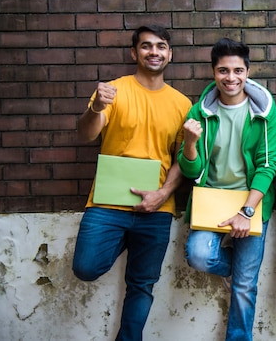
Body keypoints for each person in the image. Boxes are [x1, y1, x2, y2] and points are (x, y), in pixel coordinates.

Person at [72, 25, 192, 341]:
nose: (154, 52)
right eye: (146, 46)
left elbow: (183, 159)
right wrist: (96, 108)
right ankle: (124, 237)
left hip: (156, 208)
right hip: (107, 205)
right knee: (85, 267)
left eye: (161, 46)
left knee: (141, 285)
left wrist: (164, 193)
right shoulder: (112, 91)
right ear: (134, 53)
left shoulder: (182, 104)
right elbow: (86, 134)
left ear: (170, 54)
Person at [178, 38, 276, 341]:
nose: (231, 78)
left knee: (245, 287)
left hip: (251, 201)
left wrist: (246, 212)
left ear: (248, 72)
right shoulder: (199, 113)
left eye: (238, 70)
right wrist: (189, 143)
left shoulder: (264, 110)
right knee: (198, 256)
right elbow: (191, 171)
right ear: (213, 72)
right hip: (211, 198)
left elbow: (267, 165)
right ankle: (235, 270)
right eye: (223, 70)